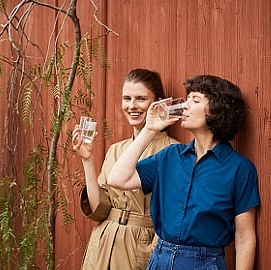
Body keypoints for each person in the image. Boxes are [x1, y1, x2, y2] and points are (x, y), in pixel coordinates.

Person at [107, 74, 260, 269]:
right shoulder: (169, 156)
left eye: (195, 100)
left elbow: (245, 237)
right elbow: (117, 178)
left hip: (205, 263)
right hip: (159, 259)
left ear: (216, 110)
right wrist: (149, 129)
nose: (185, 106)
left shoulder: (239, 169)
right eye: (187, 99)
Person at [72, 69, 179, 270]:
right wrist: (87, 160)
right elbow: (99, 210)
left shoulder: (172, 151)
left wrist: (153, 251)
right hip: (103, 244)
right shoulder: (115, 150)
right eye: (127, 98)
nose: (132, 106)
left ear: (158, 103)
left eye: (141, 99)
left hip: (139, 247)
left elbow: (172, 213)